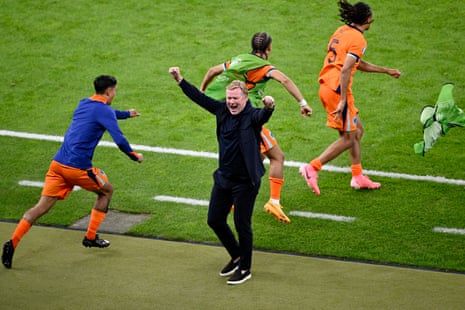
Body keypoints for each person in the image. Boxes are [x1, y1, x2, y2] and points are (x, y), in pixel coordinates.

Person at [2, 75, 144, 269]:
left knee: (40, 208)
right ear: (109, 91)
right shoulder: (104, 110)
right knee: (106, 191)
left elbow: (104, 113)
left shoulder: (84, 103)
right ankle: (90, 237)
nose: (115, 93)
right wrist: (134, 155)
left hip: (57, 165)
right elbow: (119, 140)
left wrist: (126, 114)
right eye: (115, 90)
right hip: (78, 168)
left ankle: (12, 243)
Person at [169, 66, 275, 285]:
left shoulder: (252, 115)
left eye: (236, 98)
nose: (232, 102)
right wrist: (180, 80)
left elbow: (263, 115)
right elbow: (199, 98)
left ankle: (245, 268)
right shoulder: (222, 110)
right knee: (214, 219)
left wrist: (269, 106)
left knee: (241, 224)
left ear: (245, 99)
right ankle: (237, 256)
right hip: (224, 178)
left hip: (246, 182)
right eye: (229, 98)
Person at [200, 32, 313, 223]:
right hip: (249, 121)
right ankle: (274, 201)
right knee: (277, 157)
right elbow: (284, 80)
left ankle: (233, 200)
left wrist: (202, 92)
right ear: (269, 49)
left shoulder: (239, 59)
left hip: (231, 118)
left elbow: (212, 71)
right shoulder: (265, 67)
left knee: (255, 157)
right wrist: (302, 103)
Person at [300, 0, 401, 195]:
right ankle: (312, 168)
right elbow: (346, 69)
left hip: (327, 85)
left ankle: (357, 176)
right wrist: (344, 99)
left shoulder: (342, 31)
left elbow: (355, 63)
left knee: (357, 131)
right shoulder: (359, 40)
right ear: (367, 19)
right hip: (338, 90)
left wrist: (386, 71)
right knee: (349, 137)